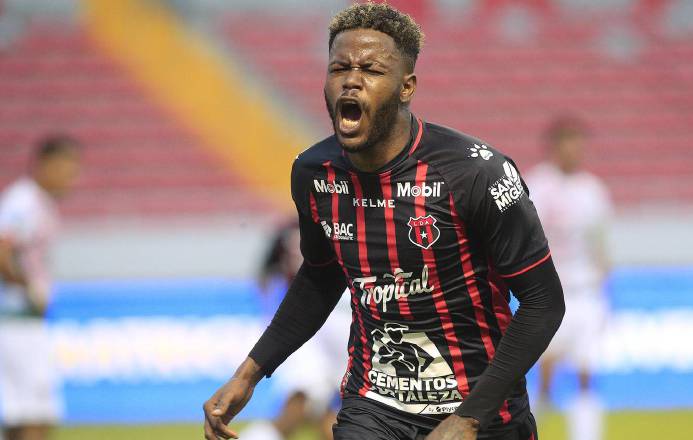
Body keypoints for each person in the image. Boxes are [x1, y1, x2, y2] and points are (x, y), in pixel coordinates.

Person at [204, 4, 565, 440]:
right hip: (374, 406)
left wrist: (469, 418)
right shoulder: (313, 174)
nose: (351, 79)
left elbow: (544, 303)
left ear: (406, 86)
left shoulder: (476, 174)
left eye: (371, 70)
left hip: (484, 413)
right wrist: (249, 373)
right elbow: (320, 278)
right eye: (339, 67)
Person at [526, 118, 613, 440]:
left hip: (587, 292)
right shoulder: (536, 185)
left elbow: (601, 245)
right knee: (547, 371)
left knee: (586, 372)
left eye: (579, 143)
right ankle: (532, 422)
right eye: (569, 143)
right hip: (552, 294)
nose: (576, 150)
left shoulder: (593, 190)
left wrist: (605, 292)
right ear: (554, 147)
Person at [0, 135, 81, 440]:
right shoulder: (25, 202)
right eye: (66, 168)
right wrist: (29, 290)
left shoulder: (36, 202)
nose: (71, 178)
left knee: (19, 415)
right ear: (45, 164)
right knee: (37, 414)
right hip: (17, 322)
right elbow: (2, 249)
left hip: (18, 323)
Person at [240, 221, 349, 440]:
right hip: (308, 316)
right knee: (300, 403)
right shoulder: (292, 227)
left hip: (340, 318)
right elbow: (266, 271)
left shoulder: (332, 218)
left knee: (333, 414)